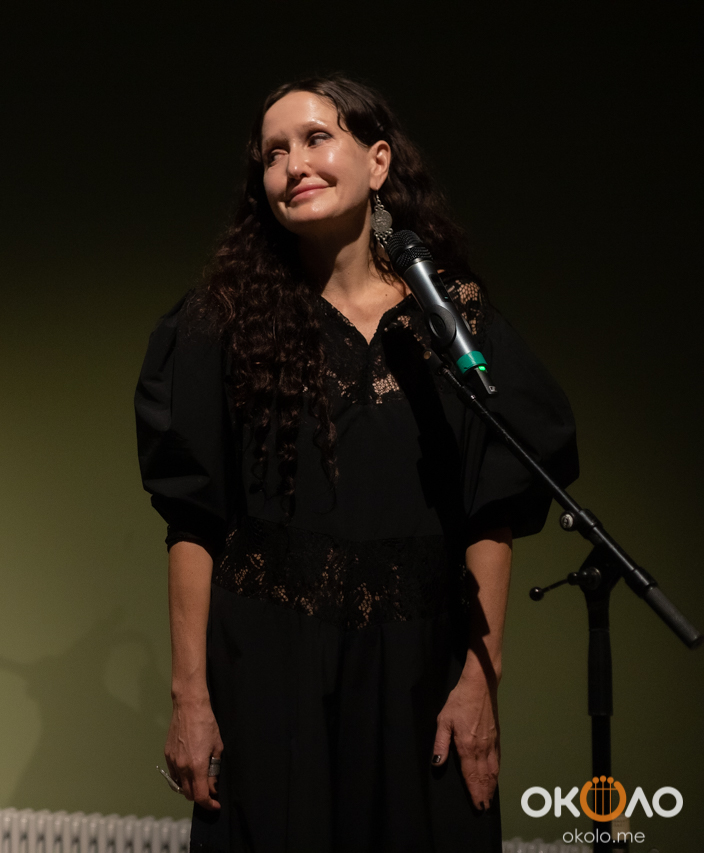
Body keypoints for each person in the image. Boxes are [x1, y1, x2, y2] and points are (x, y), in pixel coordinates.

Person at [135, 74, 578, 852]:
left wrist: (481, 683)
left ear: (377, 162)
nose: (294, 164)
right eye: (274, 153)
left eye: (316, 138)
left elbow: (493, 507)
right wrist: (190, 698)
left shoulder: (453, 320)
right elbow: (192, 520)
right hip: (270, 667)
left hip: (419, 671)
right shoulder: (221, 322)